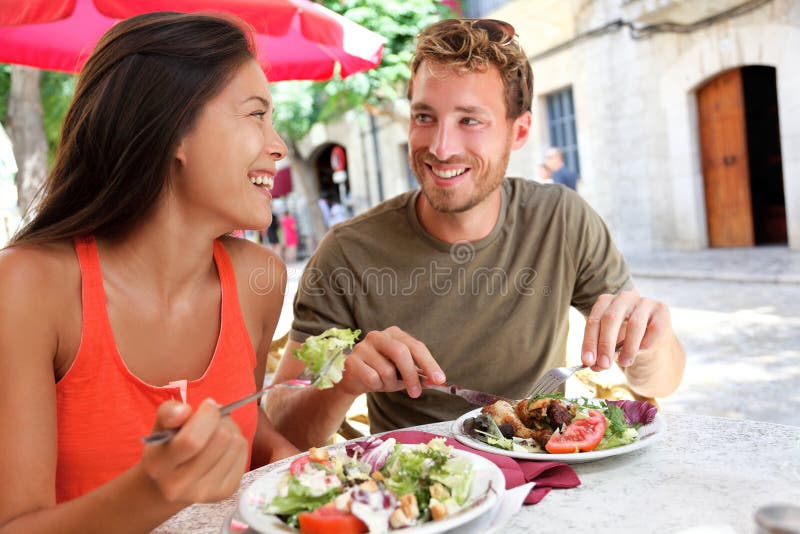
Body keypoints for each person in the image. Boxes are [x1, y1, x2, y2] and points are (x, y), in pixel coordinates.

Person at [267, 18, 685, 449]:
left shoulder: (561, 220)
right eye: (424, 116)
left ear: (518, 131)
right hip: (413, 495)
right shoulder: (348, 251)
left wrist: (651, 344)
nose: (441, 147)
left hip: (542, 478)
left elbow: (665, 381)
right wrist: (343, 383)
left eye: (470, 120)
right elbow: (279, 427)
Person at [0, 12, 299, 532]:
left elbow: (249, 429)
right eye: (256, 115)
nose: (278, 146)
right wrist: (151, 491)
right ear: (171, 132)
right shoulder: (29, 288)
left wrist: (295, 462)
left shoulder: (260, 279)